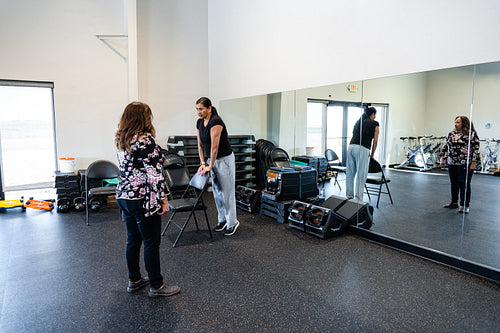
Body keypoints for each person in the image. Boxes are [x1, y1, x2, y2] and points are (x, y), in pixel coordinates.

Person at [115, 101, 180, 298]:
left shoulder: (121, 138)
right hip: (143, 198)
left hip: (124, 196)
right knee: (151, 242)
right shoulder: (145, 140)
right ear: (143, 118)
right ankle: (157, 285)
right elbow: (155, 175)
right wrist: (164, 200)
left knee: (133, 240)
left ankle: (134, 280)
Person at [195, 97, 239, 236]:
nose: (198, 112)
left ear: (209, 108)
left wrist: (210, 165)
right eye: (197, 109)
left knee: (227, 192)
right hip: (211, 160)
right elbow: (200, 145)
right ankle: (222, 220)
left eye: (201, 109)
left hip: (224, 159)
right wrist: (203, 163)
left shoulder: (216, 121)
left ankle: (232, 222)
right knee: (217, 192)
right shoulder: (199, 122)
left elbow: (215, 147)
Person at [440, 115, 480, 213]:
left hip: (465, 163)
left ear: (464, 123)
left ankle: (465, 205)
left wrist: (474, 162)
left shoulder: (471, 134)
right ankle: (454, 202)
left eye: (458, 122)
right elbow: (446, 146)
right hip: (452, 162)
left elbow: (476, 149)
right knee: (454, 183)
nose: (455, 124)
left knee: (464, 184)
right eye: (455, 122)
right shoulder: (451, 133)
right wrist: (443, 158)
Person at [345, 106, 380, 200]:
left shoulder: (358, 122)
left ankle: (349, 196)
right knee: (361, 175)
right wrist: (372, 155)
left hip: (351, 147)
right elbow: (375, 141)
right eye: (374, 114)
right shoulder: (375, 123)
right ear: (372, 114)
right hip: (362, 149)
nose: (375, 117)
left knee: (350, 174)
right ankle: (358, 199)